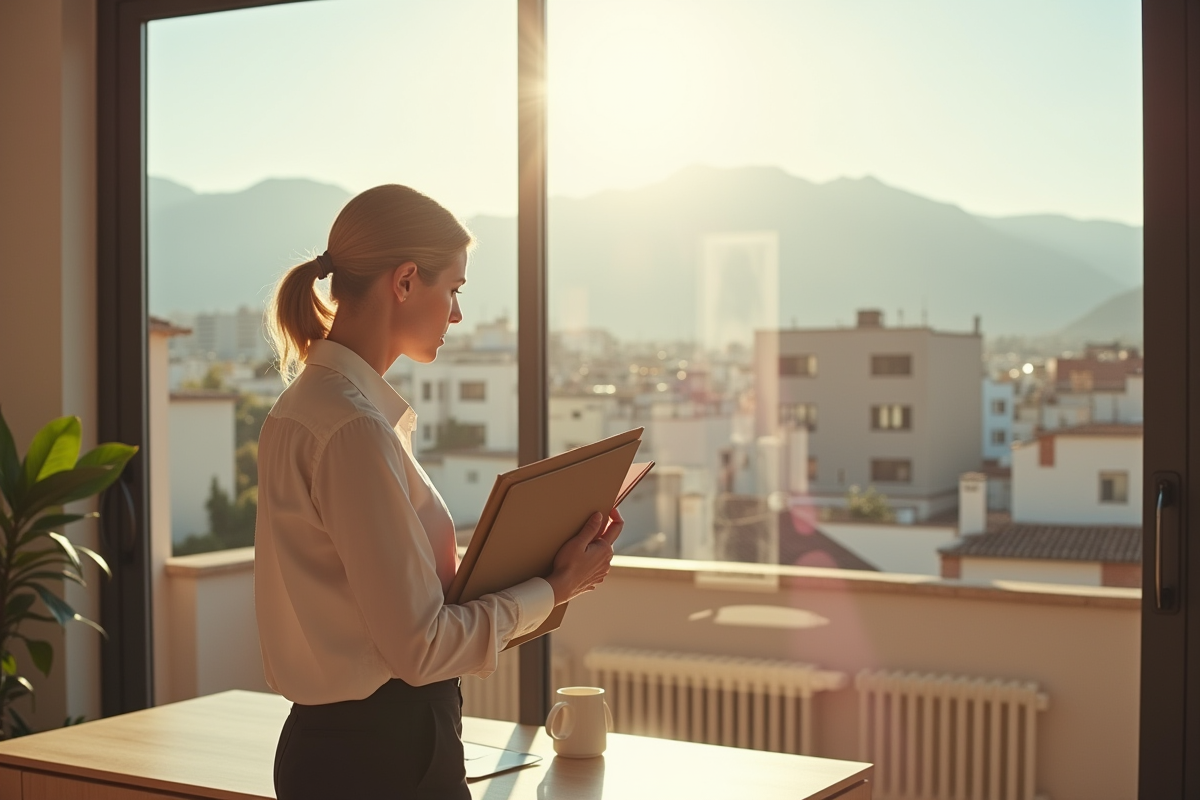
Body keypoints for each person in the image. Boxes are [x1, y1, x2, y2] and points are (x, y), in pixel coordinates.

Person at [254, 184, 623, 799]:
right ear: (404, 281)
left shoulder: (309, 411)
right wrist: (554, 588)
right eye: (454, 290)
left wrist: (541, 574)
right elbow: (420, 649)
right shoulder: (352, 429)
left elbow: (398, 616)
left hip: (347, 751)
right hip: (383, 760)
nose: (457, 315)